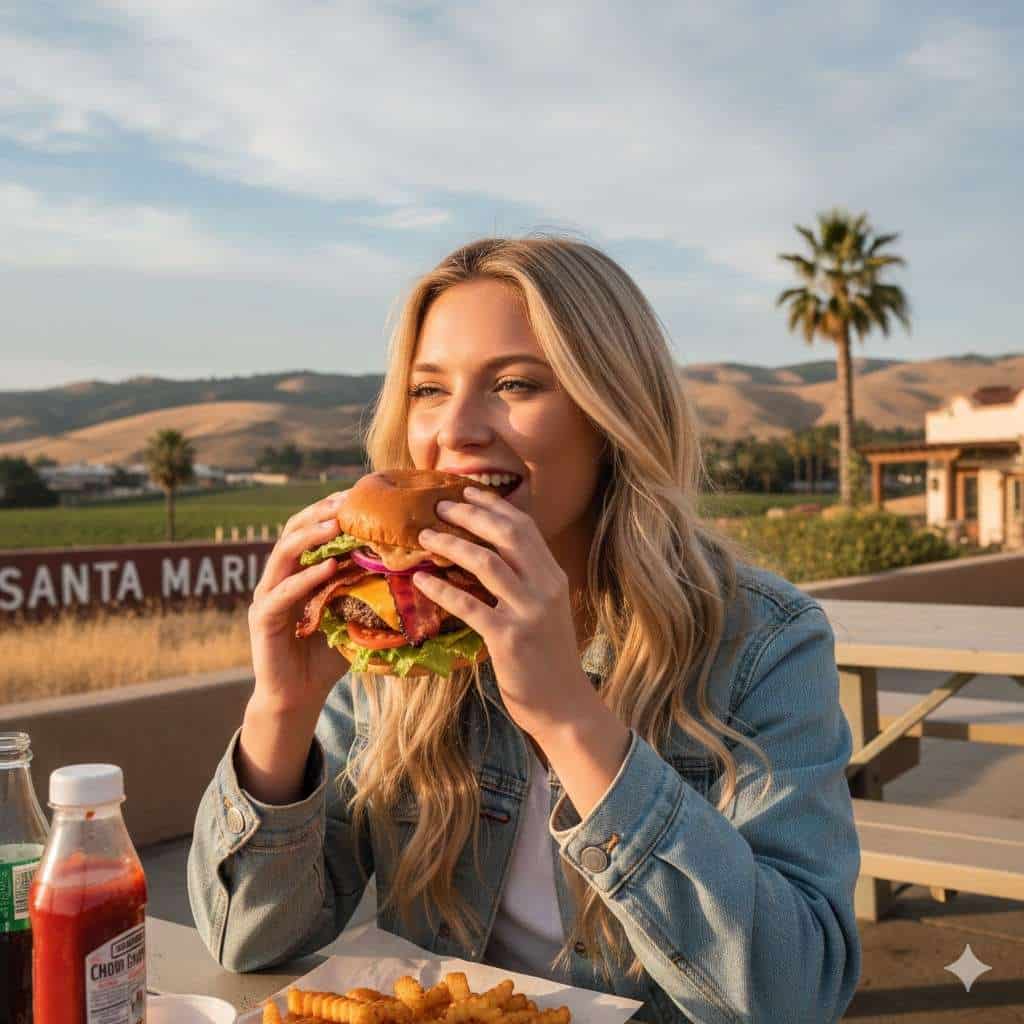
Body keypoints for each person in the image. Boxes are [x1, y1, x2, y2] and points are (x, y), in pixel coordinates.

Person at [188, 236, 862, 1023]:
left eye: (514, 383)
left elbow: (796, 996)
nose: (459, 430)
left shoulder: (762, 642)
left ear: (611, 412)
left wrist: (570, 719)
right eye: (428, 390)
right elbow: (247, 940)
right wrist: (282, 710)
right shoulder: (399, 639)